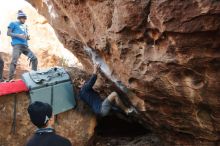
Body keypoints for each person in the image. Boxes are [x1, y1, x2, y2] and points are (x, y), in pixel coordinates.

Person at [7, 10, 38, 80]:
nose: (24, 20)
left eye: (25, 18)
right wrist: (19, 35)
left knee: (34, 58)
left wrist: (27, 37)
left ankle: (34, 75)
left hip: (25, 46)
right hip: (17, 45)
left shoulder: (25, 26)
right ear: (19, 18)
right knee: (14, 61)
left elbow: (25, 36)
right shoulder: (13, 23)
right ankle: (9, 79)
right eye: (23, 18)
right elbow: (8, 33)